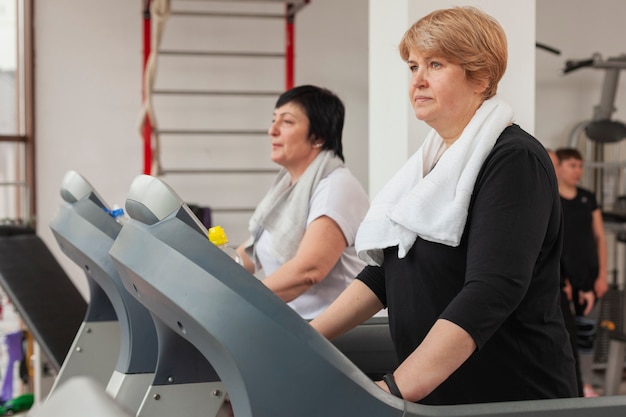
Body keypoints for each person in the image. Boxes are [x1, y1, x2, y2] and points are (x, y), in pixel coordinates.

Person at [310, 6, 578, 405]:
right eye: (413, 66)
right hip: (441, 393)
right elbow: (389, 272)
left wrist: (395, 391)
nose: (417, 80)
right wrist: (304, 336)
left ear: (481, 76)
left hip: (509, 395)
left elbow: (491, 291)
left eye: (435, 64)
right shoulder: (432, 164)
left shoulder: (513, 159)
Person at [236, 85, 370, 320]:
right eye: (273, 120)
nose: (272, 130)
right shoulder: (287, 190)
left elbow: (308, 271)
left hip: (333, 332)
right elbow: (248, 255)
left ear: (318, 137)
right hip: (296, 326)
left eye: (286, 122)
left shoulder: (335, 187)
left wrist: (241, 299)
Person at [554, 147, 608, 397]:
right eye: (572, 165)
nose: (578, 171)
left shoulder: (588, 197)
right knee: (567, 336)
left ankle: (585, 383)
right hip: (564, 280)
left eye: (580, 165)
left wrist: (602, 276)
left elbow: (600, 238)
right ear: (560, 167)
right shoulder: (552, 198)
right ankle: (571, 385)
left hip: (590, 278)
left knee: (587, 335)